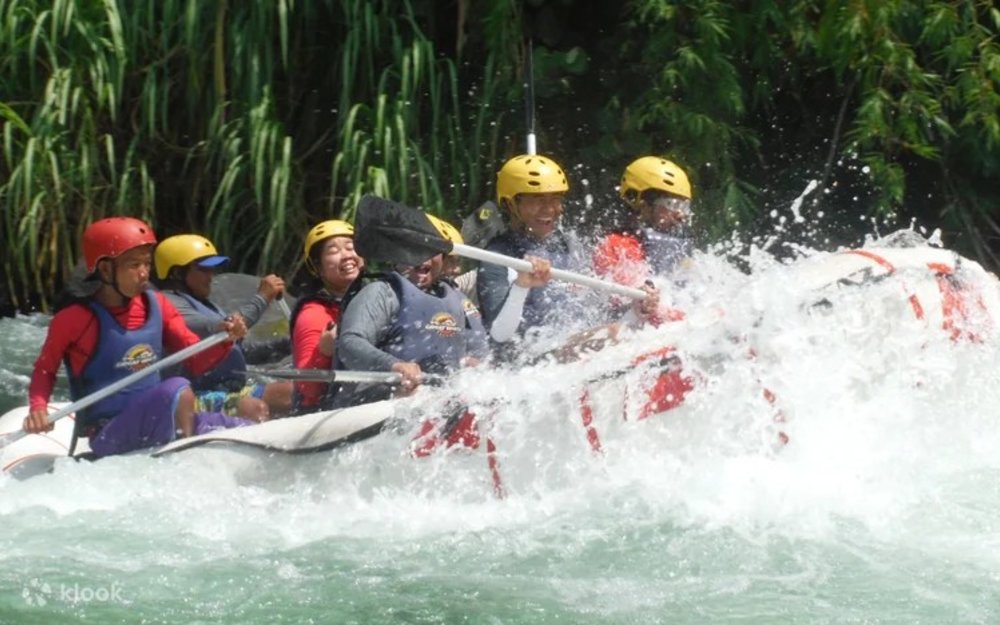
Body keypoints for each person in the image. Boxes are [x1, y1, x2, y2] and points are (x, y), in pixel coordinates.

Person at [24, 217, 252, 458]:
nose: (144, 274)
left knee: (251, 420)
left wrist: (226, 340)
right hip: (109, 432)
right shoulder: (73, 319)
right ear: (105, 269)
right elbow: (45, 369)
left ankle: (184, 445)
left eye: (147, 264)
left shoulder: (159, 306)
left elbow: (195, 360)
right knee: (176, 387)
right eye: (134, 265)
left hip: (159, 421)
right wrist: (38, 408)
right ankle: (185, 460)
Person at [476, 154, 657, 360]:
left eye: (555, 200)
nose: (549, 209)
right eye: (537, 200)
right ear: (510, 205)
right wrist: (522, 285)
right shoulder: (497, 256)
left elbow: (595, 313)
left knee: (647, 327)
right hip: (525, 365)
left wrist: (635, 308)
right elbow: (499, 335)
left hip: (569, 352)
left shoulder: (569, 247)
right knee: (615, 335)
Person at [334, 214, 489, 406]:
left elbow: (479, 351)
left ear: (442, 257)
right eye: (412, 249)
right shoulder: (382, 292)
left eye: (429, 250)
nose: (419, 257)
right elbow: (349, 344)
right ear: (396, 254)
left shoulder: (457, 299)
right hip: (380, 401)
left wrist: (474, 365)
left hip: (439, 402)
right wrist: (394, 365)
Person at [154, 234, 293, 420]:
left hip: (230, 389)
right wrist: (262, 297)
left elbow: (235, 348)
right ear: (177, 273)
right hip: (193, 397)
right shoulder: (167, 302)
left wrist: (281, 346)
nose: (211, 276)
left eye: (213, 269)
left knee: (293, 393)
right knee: (255, 408)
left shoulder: (207, 304)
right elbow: (218, 328)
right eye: (204, 269)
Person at [289, 219, 364, 413]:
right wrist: (324, 351)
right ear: (318, 267)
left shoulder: (377, 296)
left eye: (351, 247)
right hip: (326, 412)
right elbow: (307, 389)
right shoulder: (314, 313)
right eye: (333, 251)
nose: (346, 255)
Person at [593, 156, 696, 287]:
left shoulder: (678, 248)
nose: (681, 214)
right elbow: (625, 295)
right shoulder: (617, 246)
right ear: (643, 205)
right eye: (673, 204)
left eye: (684, 206)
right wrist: (642, 295)